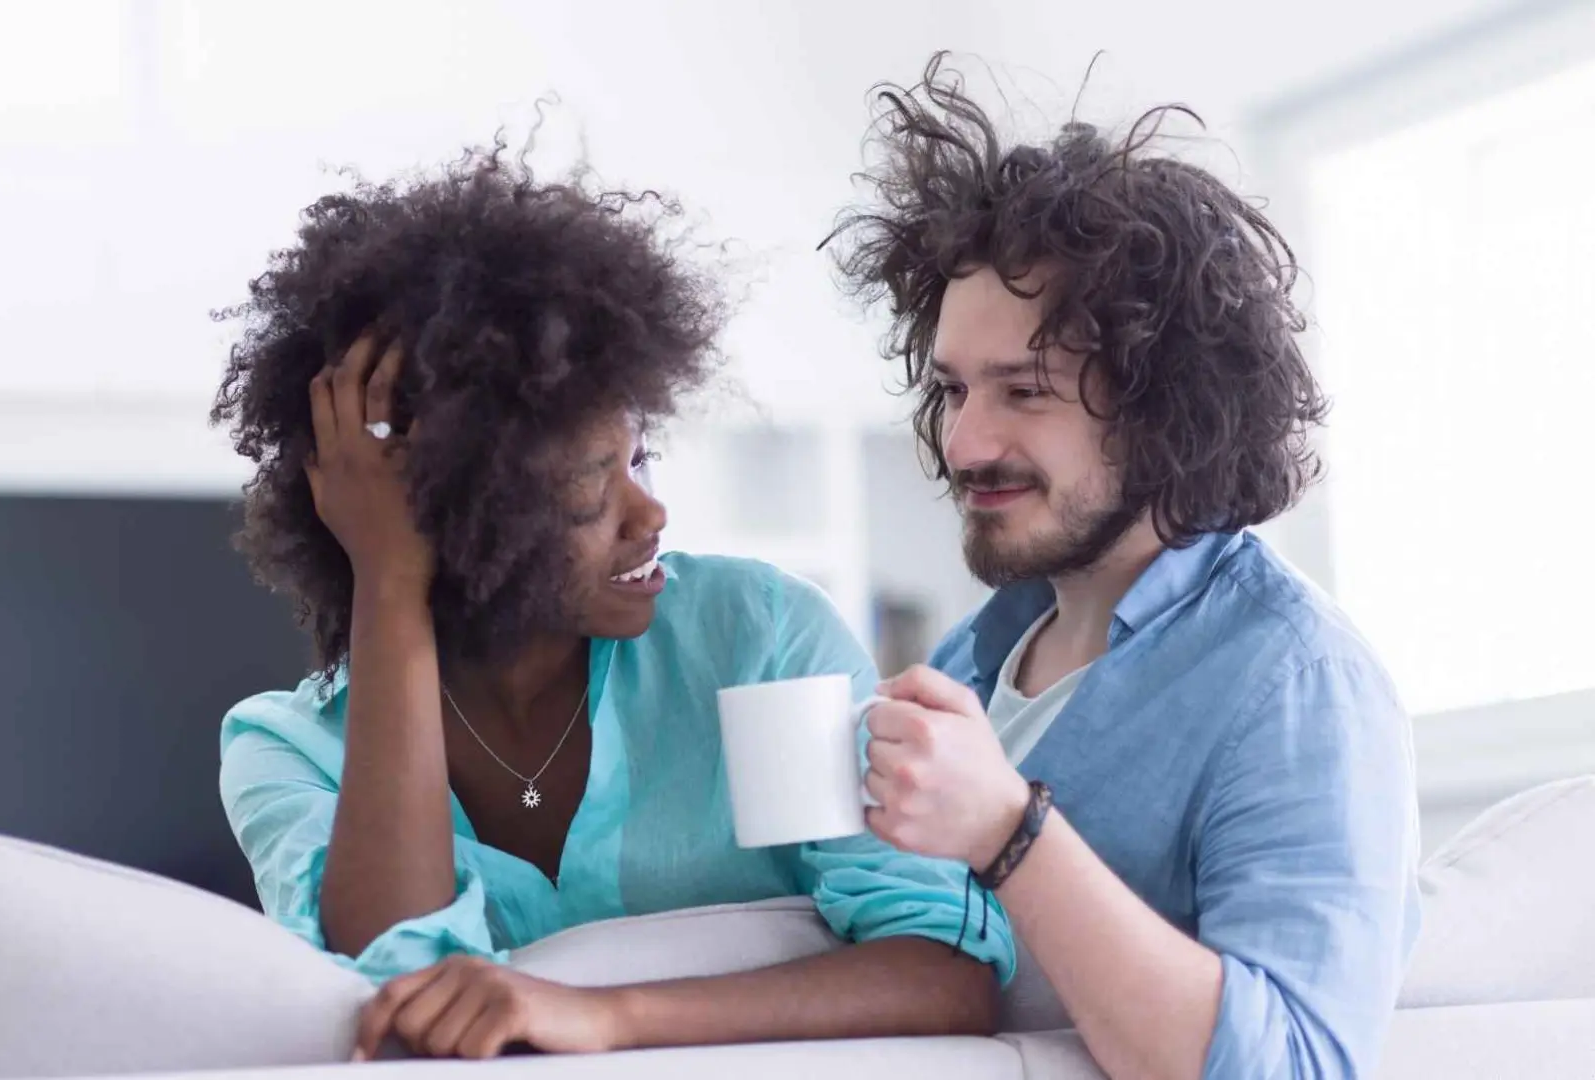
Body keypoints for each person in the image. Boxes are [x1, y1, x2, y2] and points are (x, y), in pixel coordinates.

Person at [209, 145, 1010, 1062]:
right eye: (594, 488)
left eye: (642, 457)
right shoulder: (286, 750)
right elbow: (394, 985)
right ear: (459, 522)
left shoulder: (753, 642)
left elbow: (942, 974)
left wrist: (603, 1014)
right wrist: (391, 581)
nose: (651, 513)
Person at [827, 57, 1420, 1080]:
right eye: (956, 389)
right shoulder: (986, 650)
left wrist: (1010, 834)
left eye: (1025, 390)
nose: (964, 444)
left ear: (1168, 408)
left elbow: (1298, 1065)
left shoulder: (1295, 683)